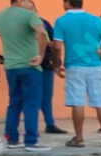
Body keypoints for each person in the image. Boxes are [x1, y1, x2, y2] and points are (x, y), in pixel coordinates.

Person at [0, 0, 50, 151]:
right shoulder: (29, 15)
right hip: (30, 66)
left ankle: (11, 139)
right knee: (31, 104)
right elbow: (42, 33)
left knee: (14, 103)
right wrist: (41, 56)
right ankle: (31, 141)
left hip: (11, 67)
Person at [52, 0, 101, 147]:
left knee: (77, 102)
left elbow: (57, 47)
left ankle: (79, 138)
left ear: (67, 3)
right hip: (95, 66)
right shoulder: (95, 20)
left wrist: (56, 65)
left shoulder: (61, 21)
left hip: (74, 66)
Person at [30, 3, 66, 134]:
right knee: (32, 96)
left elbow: (55, 42)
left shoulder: (44, 23)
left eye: (32, 8)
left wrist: (57, 62)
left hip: (46, 64)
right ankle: (31, 126)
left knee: (46, 96)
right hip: (30, 64)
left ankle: (50, 124)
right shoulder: (22, 25)